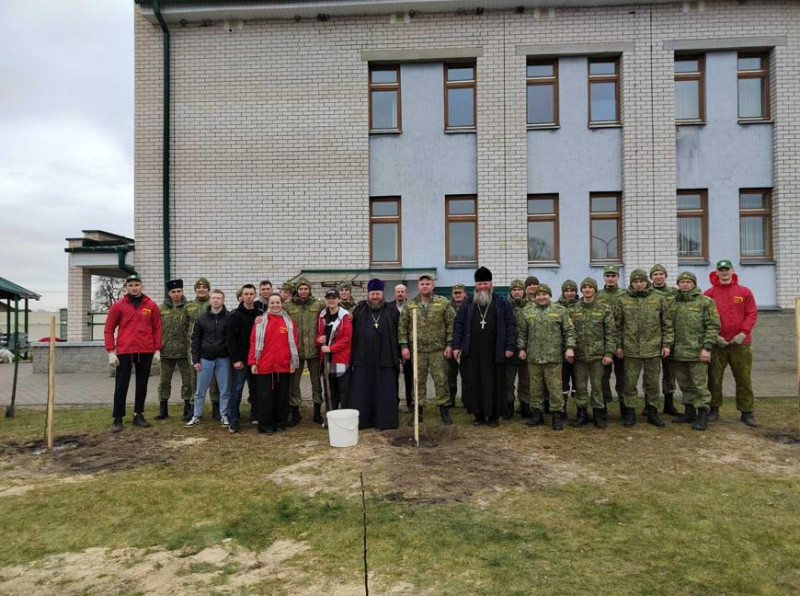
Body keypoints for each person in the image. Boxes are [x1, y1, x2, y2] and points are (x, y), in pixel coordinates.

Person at [452, 267, 515, 427]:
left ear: (491, 284)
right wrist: (456, 346)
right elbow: (459, 325)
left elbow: (510, 326)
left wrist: (509, 347)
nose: (482, 286)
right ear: (476, 285)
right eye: (479, 284)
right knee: (474, 383)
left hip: (495, 351)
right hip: (472, 352)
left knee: (495, 384)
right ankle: (478, 415)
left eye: (485, 283)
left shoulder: (502, 303)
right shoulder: (467, 303)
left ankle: (494, 416)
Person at [614, 269, 673, 428]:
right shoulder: (622, 300)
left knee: (652, 383)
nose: (639, 284)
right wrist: (618, 345)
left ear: (647, 282)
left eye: (641, 281)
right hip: (630, 349)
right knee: (630, 383)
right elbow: (618, 326)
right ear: (631, 283)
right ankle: (630, 412)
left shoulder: (658, 299)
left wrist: (666, 345)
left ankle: (653, 412)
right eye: (635, 281)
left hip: (653, 349)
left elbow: (667, 324)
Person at [104, 274, 162, 433]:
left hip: (145, 350)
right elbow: (109, 328)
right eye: (130, 285)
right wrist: (111, 351)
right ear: (126, 288)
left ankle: (139, 414)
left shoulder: (150, 305)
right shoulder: (119, 306)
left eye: (137, 284)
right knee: (121, 384)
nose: (134, 287)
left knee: (142, 384)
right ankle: (118, 417)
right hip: (125, 350)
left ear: (142, 286)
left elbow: (157, 328)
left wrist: (157, 349)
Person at [704, 260, 758, 427]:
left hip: (740, 344)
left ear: (732, 271)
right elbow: (704, 317)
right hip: (718, 344)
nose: (724, 272)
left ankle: (746, 412)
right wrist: (714, 337)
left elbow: (751, 313)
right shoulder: (709, 293)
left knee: (743, 378)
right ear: (717, 272)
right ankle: (713, 409)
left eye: (727, 269)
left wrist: (743, 333)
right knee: (714, 378)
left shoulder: (744, 292)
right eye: (721, 270)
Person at [398, 274, 455, 425]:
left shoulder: (443, 303)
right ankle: (418, 411)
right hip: (418, 351)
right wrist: (404, 346)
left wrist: (450, 344)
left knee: (441, 380)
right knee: (418, 381)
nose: (425, 286)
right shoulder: (410, 305)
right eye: (422, 284)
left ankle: (444, 409)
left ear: (433, 286)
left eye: (427, 283)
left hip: (438, 349)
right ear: (418, 286)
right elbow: (402, 327)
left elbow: (451, 324)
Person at [517, 284, 576, 431]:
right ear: (535, 297)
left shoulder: (560, 311)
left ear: (550, 296)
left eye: (544, 295)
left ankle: (557, 414)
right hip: (534, 356)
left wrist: (570, 348)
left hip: (553, 357)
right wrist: (521, 349)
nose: (541, 297)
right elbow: (522, 332)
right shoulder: (528, 311)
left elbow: (569, 331)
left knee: (555, 388)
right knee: (535, 387)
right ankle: (537, 414)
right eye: (538, 295)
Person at [669, 272, 720, 431]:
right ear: (678, 284)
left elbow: (713, 326)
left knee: (699, 385)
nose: (684, 284)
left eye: (688, 282)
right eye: (682, 282)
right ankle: (689, 412)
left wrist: (707, 348)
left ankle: (702, 414)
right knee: (685, 384)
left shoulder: (705, 302)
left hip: (697, 351)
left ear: (694, 284)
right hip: (678, 352)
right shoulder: (673, 302)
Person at [349, 279, 400, 429]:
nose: (375, 297)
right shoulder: (359, 309)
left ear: (383, 294)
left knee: (384, 391)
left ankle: (385, 421)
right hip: (363, 358)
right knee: (362, 391)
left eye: (378, 294)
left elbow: (400, 331)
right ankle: (364, 421)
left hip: (385, 358)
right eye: (372, 294)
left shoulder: (391, 310)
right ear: (368, 294)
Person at [569, 277, 616, 429]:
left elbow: (610, 333)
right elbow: (569, 332)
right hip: (579, 356)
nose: (587, 290)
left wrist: (609, 353)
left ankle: (599, 415)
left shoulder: (604, 309)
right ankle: (581, 414)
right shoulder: (573, 309)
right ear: (581, 290)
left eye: (590, 287)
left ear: (595, 290)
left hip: (598, 356)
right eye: (585, 287)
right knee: (581, 387)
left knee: (597, 387)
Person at [249, 293, 298, 434]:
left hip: (283, 365)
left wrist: (292, 362)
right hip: (264, 365)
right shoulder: (260, 322)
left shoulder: (288, 322)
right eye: (272, 303)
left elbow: (294, 343)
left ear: (282, 304)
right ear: (268, 304)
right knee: (265, 397)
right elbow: (253, 343)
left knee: (282, 396)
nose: (275, 305)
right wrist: (253, 362)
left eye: (278, 302)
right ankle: (266, 425)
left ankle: (280, 423)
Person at [186, 290, 232, 427]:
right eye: (213, 298)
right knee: (200, 390)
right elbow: (195, 340)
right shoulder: (201, 318)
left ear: (223, 300)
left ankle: (224, 415)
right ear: (210, 300)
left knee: (224, 390)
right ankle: (196, 415)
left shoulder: (229, 317)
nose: (216, 300)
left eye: (219, 298)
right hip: (205, 360)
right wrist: (196, 360)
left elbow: (232, 339)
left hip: (224, 359)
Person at [285, 278, 325, 426]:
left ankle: (317, 412)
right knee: (294, 383)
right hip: (296, 351)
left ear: (309, 290)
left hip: (314, 350)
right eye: (301, 289)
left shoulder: (319, 304)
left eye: (306, 289)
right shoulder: (288, 306)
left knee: (316, 382)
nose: (303, 291)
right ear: (297, 290)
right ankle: (295, 414)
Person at [156, 279, 192, 421]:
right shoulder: (161, 309)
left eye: (178, 291)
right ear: (169, 293)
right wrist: (157, 349)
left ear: (182, 291)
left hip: (184, 352)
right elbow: (156, 329)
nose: (176, 294)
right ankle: (163, 408)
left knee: (187, 381)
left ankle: (187, 407)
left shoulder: (189, 307)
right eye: (173, 292)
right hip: (167, 351)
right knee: (164, 381)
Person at [226, 284, 260, 433]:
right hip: (241, 359)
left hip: (256, 359)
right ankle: (233, 418)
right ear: (241, 296)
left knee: (255, 388)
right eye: (246, 294)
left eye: (251, 294)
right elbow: (230, 339)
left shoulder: (260, 314)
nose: (248, 296)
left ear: (255, 295)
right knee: (237, 389)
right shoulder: (235, 315)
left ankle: (255, 414)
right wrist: (235, 359)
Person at [186, 277, 221, 420]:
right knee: (194, 379)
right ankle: (194, 408)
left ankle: (216, 407)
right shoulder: (188, 306)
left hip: (211, 347)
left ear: (208, 289)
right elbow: (184, 327)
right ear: (195, 290)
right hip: (194, 347)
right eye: (198, 288)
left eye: (204, 287)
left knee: (213, 380)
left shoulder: (212, 303)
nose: (201, 290)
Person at [649, 264, 679, 416]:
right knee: (650, 374)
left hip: (669, 338)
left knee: (669, 372)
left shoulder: (674, 293)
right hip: (651, 339)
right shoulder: (646, 293)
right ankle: (649, 405)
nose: (658, 276)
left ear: (666, 276)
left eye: (661, 274)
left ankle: (669, 403)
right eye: (655, 274)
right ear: (651, 277)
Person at [316, 289, 352, 412]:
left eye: (334, 298)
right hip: (326, 360)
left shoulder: (344, 317)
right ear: (325, 300)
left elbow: (347, 338)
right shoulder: (322, 316)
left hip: (341, 359)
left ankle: (344, 415)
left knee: (343, 391)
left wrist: (331, 348)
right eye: (328, 298)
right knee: (329, 391)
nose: (331, 300)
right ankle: (331, 415)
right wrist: (319, 339)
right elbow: (318, 334)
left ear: (338, 300)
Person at [596, 265, 626, 409]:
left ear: (618, 277)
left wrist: (619, 344)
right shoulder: (598, 295)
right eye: (607, 275)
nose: (610, 278)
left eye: (613, 275)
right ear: (604, 277)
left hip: (622, 342)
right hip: (604, 342)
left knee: (622, 377)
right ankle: (604, 406)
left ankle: (624, 406)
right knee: (603, 377)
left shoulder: (625, 295)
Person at [505, 279, 531, 419]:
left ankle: (525, 405)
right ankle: (508, 405)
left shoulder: (531, 306)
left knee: (525, 380)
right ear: (510, 292)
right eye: (514, 290)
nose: (516, 292)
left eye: (519, 289)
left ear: (524, 291)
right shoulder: (504, 305)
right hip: (509, 350)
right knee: (508, 381)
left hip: (526, 350)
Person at [389, 284, 413, 411]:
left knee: (409, 376)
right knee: (393, 376)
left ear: (406, 293)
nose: (400, 294)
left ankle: (411, 403)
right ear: (394, 293)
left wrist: (407, 347)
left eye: (402, 291)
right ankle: (394, 402)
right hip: (392, 346)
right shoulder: (388, 307)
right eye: (398, 291)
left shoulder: (412, 306)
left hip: (408, 347)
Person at [557, 280, 580, 410]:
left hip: (579, 350)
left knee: (579, 382)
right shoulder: (556, 307)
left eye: (572, 291)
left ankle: (580, 410)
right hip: (561, 350)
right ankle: (562, 409)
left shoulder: (581, 305)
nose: (569, 293)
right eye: (566, 291)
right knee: (562, 381)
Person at [447, 283, 467, 407]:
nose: (458, 295)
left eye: (460, 292)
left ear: (465, 294)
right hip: (450, 344)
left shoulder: (470, 306)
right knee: (450, 374)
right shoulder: (447, 307)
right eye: (455, 293)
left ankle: (466, 400)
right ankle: (451, 399)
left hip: (465, 345)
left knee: (466, 375)